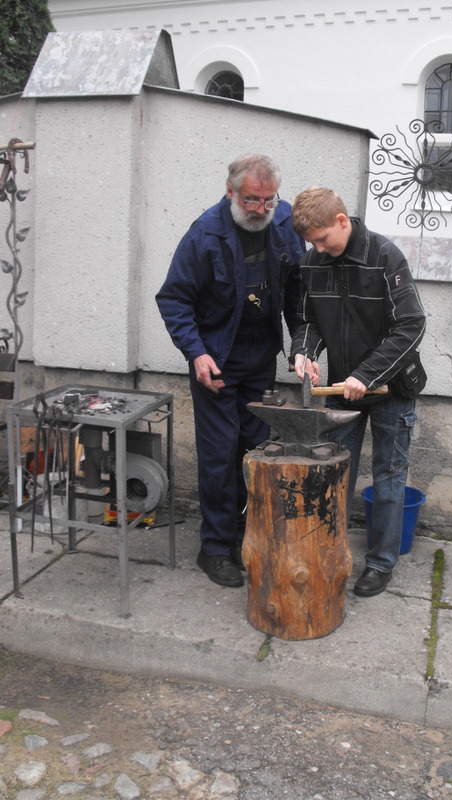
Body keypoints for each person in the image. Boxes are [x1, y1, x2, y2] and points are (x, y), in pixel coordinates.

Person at [156, 154, 305, 588]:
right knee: (220, 453)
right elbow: (174, 299)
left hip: (261, 357)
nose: (260, 208)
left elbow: (298, 287)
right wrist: (196, 353)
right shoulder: (205, 234)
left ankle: (249, 536)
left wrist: (301, 344)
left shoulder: (284, 222)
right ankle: (216, 548)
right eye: (251, 199)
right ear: (230, 192)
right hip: (216, 360)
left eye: (268, 199)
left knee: (255, 450)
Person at [290, 187, 426, 598]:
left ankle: (381, 563)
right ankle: (330, 553)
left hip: (391, 388)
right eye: (311, 242)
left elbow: (411, 325)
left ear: (341, 221)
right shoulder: (312, 263)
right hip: (340, 389)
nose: (317, 249)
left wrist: (366, 374)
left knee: (388, 477)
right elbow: (308, 320)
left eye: (322, 239)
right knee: (335, 476)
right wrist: (304, 353)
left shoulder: (385, 257)